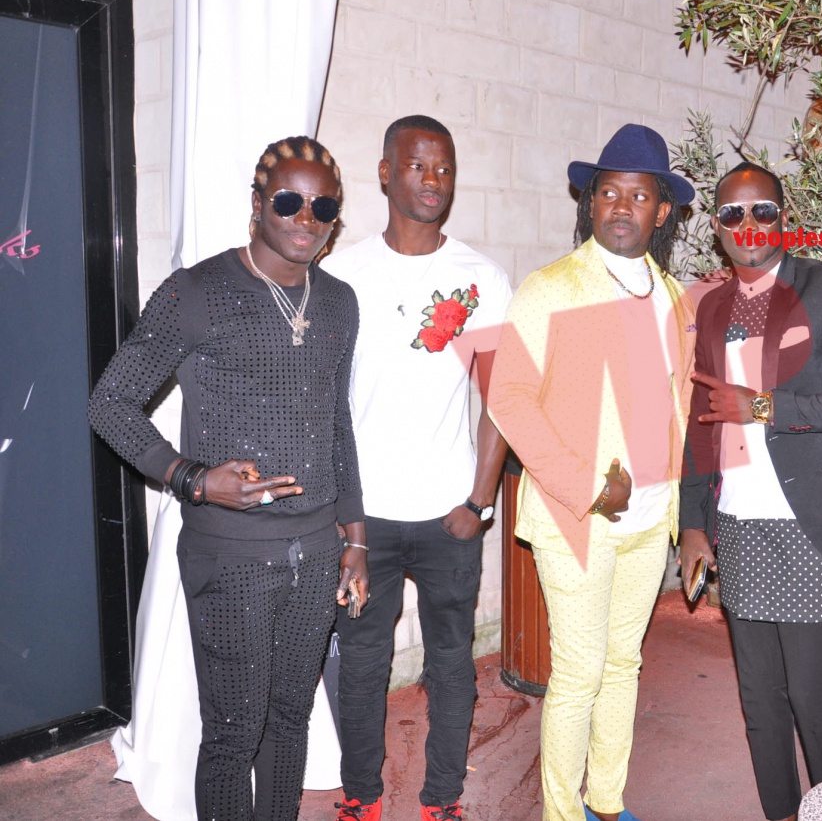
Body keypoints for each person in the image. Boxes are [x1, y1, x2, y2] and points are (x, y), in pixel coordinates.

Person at [88, 135, 368, 821]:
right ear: (257, 205)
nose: (305, 218)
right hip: (231, 556)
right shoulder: (199, 291)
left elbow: (337, 426)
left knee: (290, 721)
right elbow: (109, 403)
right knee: (235, 731)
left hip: (317, 551)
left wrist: (354, 539)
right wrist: (192, 478)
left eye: (322, 206)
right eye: (288, 201)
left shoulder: (339, 303)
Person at [487, 123, 697, 821]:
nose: (620, 206)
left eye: (638, 195)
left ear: (661, 211)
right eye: (608, 192)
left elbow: (682, 403)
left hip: (649, 522)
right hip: (578, 518)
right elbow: (509, 398)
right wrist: (586, 483)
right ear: (591, 200)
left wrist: (682, 505)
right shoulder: (551, 288)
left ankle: (606, 802)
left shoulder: (671, 298)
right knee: (577, 675)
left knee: (625, 665)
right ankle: (560, 814)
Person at [678, 163, 822, 821]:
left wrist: (767, 406)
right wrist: (693, 523)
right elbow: (701, 420)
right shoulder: (712, 307)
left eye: (762, 211)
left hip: (813, 525)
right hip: (741, 527)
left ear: (785, 217)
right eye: (732, 215)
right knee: (760, 700)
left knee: (811, 694)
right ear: (717, 229)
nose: (748, 225)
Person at [321, 115, 512, 821]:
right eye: (418, 166)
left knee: (452, 663)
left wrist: (480, 501)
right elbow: (323, 400)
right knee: (364, 663)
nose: (433, 181)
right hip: (363, 516)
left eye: (445, 169)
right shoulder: (341, 274)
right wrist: (341, 513)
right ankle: (361, 796)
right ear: (384, 173)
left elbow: (503, 398)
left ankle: (443, 800)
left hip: (448, 514)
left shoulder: (481, 279)